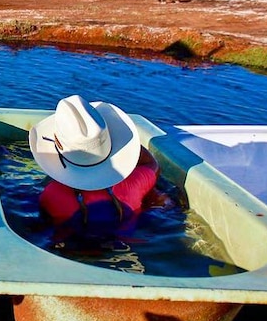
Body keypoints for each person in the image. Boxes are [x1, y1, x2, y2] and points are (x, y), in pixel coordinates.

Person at [28, 94, 166, 229]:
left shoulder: (52, 194)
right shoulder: (132, 186)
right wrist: (127, 147)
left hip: (69, 248)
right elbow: (152, 165)